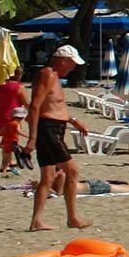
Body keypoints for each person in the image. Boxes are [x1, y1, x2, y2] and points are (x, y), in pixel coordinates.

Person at [28, 45, 92, 231]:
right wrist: (32, 138)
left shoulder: (54, 77)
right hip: (48, 130)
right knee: (71, 171)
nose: (72, 68)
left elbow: (53, 106)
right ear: (62, 60)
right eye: (71, 64)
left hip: (53, 128)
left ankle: (36, 221)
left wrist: (73, 120)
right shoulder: (47, 75)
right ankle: (72, 218)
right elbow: (35, 107)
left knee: (47, 177)